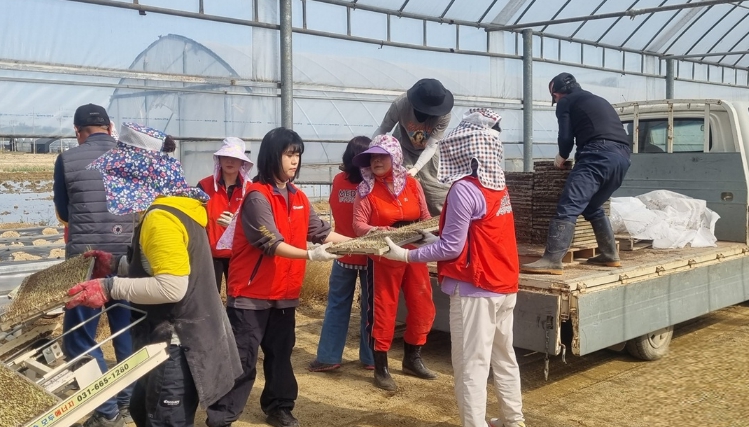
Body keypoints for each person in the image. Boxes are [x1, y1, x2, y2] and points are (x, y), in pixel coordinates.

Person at [66, 122, 243, 427]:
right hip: (172, 339)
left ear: (136, 175)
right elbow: (161, 265)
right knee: (141, 410)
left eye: (117, 174)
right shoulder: (175, 206)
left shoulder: (161, 219)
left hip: (176, 344)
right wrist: (117, 264)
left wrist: (108, 287)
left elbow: (172, 287)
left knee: (163, 420)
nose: (112, 181)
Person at [381, 109, 525, 427]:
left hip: (475, 289)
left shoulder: (463, 190)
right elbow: (477, 235)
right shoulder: (497, 185)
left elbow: (451, 248)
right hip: (503, 285)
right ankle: (514, 421)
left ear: (467, 149)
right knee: (504, 357)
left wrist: (404, 256)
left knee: (471, 365)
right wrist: (433, 238)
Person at [206, 127, 348, 427]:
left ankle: (279, 407)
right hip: (251, 294)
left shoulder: (298, 196)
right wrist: (310, 255)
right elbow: (269, 241)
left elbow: (321, 232)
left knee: (281, 353)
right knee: (243, 358)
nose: (295, 161)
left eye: (298, 155)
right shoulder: (257, 196)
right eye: (289, 154)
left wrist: (366, 242)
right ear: (273, 155)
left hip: (284, 292)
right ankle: (222, 415)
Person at [53, 104, 134, 427]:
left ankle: (106, 410)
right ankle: (128, 403)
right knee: (126, 332)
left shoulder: (67, 159)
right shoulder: (130, 157)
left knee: (78, 338)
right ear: (110, 128)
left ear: (77, 132)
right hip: (126, 260)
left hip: (85, 264)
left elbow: (64, 213)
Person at [521, 72, 632, 275]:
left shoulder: (566, 102)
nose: (556, 100)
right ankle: (610, 254)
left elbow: (566, 136)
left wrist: (562, 156)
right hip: (622, 158)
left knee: (569, 205)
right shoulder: (597, 99)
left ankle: (552, 260)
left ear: (557, 94)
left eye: (555, 97)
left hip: (597, 155)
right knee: (592, 206)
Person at [351, 134, 435, 392]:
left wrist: (427, 235)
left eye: (382, 156)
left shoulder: (413, 184)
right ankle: (381, 367)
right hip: (384, 257)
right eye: (372, 157)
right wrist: (378, 230)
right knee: (383, 310)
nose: (376, 161)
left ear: (395, 157)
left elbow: (425, 216)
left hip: (414, 254)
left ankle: (412, 358)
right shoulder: (365, 189)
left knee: (423, 305)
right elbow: (358, 225)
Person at [308, 136, 375, 372]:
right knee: (371, 308)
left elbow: (335, 208)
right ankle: (371, 358)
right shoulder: (374, 184)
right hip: (370, 254)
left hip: (343, 252)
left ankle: (328, 357)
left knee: (337, 305)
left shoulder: (339, 180)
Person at [373, 78, 454, 216]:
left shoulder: (444, 114)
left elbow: (431, 145)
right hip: (403, 147)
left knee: (437, 190)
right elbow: (382, 130)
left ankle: (441, 221)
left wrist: (416, 168)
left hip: (429, 151)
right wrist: (371, 152)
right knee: (402, 185)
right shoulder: (400, 104)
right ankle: (405, 218)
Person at [197, 137, 254, 293]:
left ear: (242, 162)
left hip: (239, 254)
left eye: (235, 157)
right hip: (210, 254)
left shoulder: (251, 189)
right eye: (226, 156)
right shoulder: (204, 186)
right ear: (219, 159)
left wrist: (236, 225)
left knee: (238, 297)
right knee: (209, 296)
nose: (230, 161)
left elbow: (256, 223)